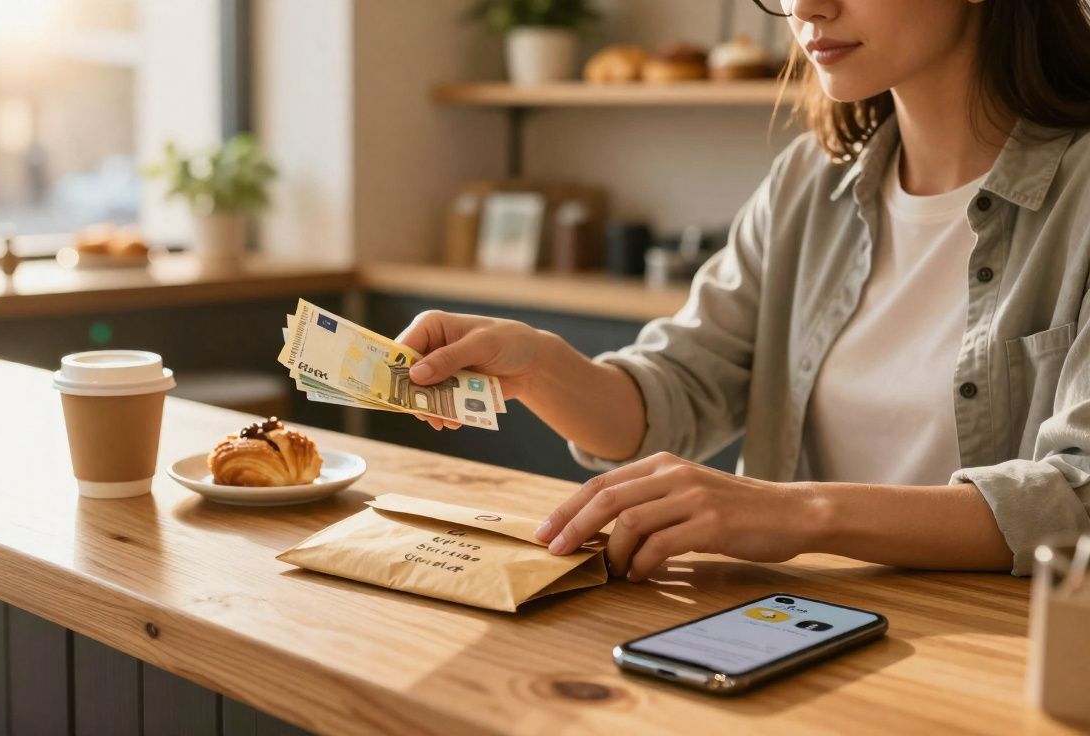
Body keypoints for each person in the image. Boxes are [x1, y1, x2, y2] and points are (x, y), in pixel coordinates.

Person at [398, 0, 1090, 580]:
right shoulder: (806, 183)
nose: (805, 8)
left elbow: (1078, 495)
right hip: (790, 632)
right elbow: (677, 389)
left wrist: (793, 512)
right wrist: (541, 365)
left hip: (1000, 665)